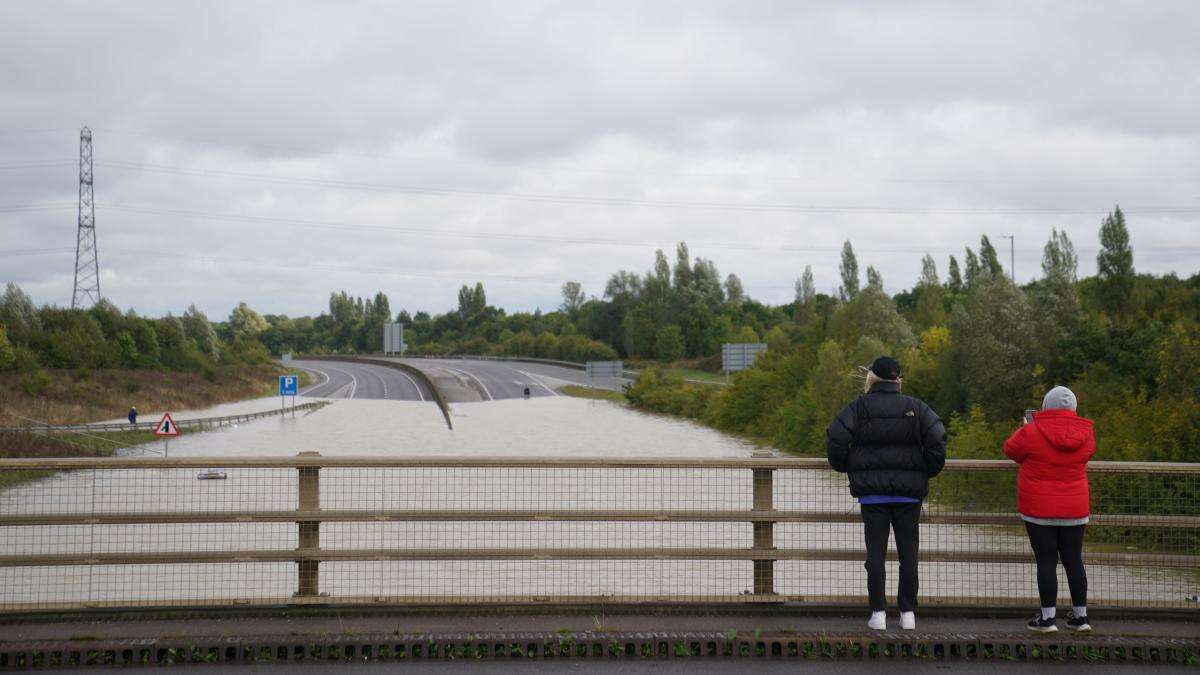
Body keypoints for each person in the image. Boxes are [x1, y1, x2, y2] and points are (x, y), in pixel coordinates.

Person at [826, 356, 947, 631]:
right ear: (898, 379)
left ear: (872, 377)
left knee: (875, 557)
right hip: (908, 496)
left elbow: (835, 438)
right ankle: (908, 614)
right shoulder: (916, 407)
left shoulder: (858, 407)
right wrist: (926, 471)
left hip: (873, 496)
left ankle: (878, 613)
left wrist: (847, 467)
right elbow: (938, 438)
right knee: (909, 555)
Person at [1003, 386, 1095, 633]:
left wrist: (1025, 428)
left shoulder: (1031, 431)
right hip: (1075, 508)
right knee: (1074, 560)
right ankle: (1081, 617)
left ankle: (1047, 619)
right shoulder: (1086, 432)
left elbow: (1010, 450)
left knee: (1046, 560)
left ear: (1045, 406)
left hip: (1039, 508)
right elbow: (1086, 455)